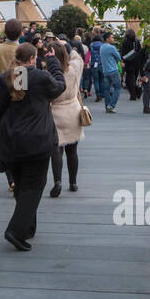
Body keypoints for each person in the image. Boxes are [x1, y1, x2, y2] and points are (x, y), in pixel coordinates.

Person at [0, 43, 64, 251]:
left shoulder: (4, 80)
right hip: (36, 142)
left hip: (10, 142)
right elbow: (60, 86)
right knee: (34, 187)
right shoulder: (40, 77)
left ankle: (28, 227)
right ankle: (16, 230)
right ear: (33, 59)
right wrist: (54, 61)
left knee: (22, 186)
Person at [48, 40, 84, 195]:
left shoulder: (49, 74)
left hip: (56, 112)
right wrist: (68, 46)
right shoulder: (74, 69)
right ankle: (73, 182)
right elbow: (79, 59)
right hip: (73, 111)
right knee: (72, 150)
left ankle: (57, 181)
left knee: (57, 149)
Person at [99, 30, 124, 112]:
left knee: (106, 89)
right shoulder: (111, 48)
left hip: (105, 70)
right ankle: (112, 105)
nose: (113, 39)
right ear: (107, 39)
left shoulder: (102, 47)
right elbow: (118, 57)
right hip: (113, 70)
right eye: (112, 37)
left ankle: (107, 106)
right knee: (117, 87)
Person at [121, 28, 143, 100]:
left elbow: (123, 53)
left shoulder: (125, 42)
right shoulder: (137, 42)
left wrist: (123, 61)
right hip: (137, 63)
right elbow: (140, 52)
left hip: (128, 63)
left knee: (129, 79)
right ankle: (138, 92)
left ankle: (133, 94)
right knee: (136, 78)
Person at [88, 27, 105, 102]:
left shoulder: (91, 45)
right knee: (102, 80)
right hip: (101, 64)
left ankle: (97, 94)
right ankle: (101, 94)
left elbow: (89, 54)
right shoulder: (103, 45)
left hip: (94, 64)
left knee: (96, 81)